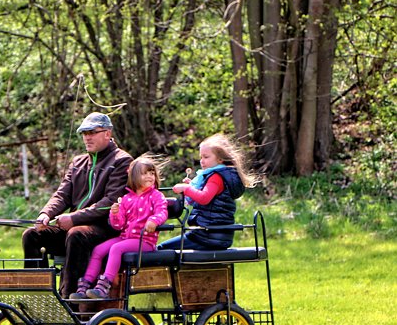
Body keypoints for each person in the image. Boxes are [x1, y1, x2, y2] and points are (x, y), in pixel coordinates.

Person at [22, 112, 133, 297]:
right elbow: (62, 194)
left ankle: (71, 297)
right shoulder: (78, 162)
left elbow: (110, 202)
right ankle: (37, 295)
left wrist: (73, 218)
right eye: (84, 133)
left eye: (92, 132)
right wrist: (45, 214)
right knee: (32, 235)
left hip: (105, 227)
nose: (87, 137)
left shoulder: (121, 161)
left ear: (107, 133)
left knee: (76, 234)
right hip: (77, 225)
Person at [70, 156, 169, 300]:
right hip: (125, 238)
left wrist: (154, 220)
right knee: (98, 250)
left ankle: (104, 286)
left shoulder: (156, 196)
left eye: (152, 173)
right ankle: (85, 285)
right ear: (134, 176)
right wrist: (115, 213)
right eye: (145, 173)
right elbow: (119, 225)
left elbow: (162, 212)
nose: (150, 176)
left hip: (145, 241)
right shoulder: (127, 198)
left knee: (116, 248)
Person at [157, 133, 259, 251]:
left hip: (207, 235)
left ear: (220, 159)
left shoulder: (216, 177)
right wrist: (192, 186)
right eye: (201, 157)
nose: (202, 161)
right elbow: (210, 196)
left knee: (162, 248)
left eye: (206, 157)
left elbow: (204, 198)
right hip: (217, 235)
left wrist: (186, 189)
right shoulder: (222, 175)